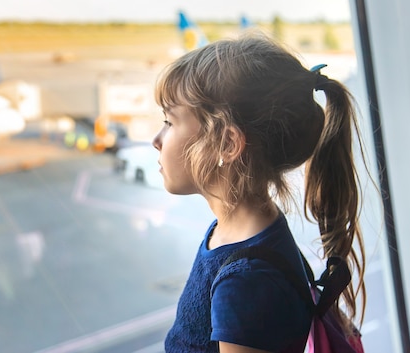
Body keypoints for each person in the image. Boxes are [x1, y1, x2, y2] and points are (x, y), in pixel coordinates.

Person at [152, 33, 366, 353]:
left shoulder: (247, 281)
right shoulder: (242, 236)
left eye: (169, 121)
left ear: (228, 143)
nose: (157, 138)